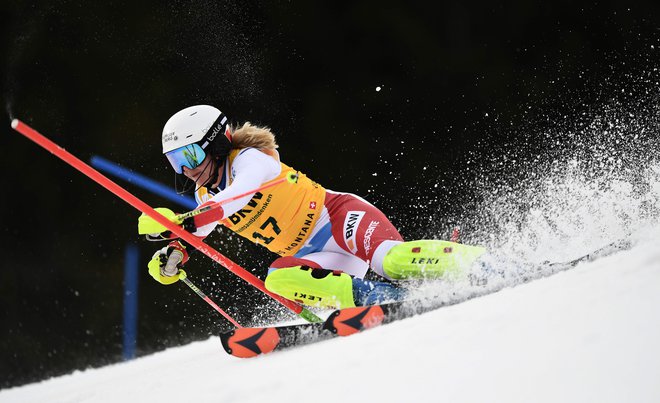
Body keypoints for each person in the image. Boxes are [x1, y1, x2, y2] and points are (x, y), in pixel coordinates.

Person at [138, 105, 487, 308]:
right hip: (317, 254)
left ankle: (481, 263)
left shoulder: (252, 160)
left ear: (214, 144)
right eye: (175, 162)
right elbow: (199, 228)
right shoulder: (205, 198)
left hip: (338, 219)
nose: (186, 169)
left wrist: (185, 222)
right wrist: (176, 250)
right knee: (277, 279)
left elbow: (237, 196)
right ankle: (383, 299)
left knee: (390, 260)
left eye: (190, 155)